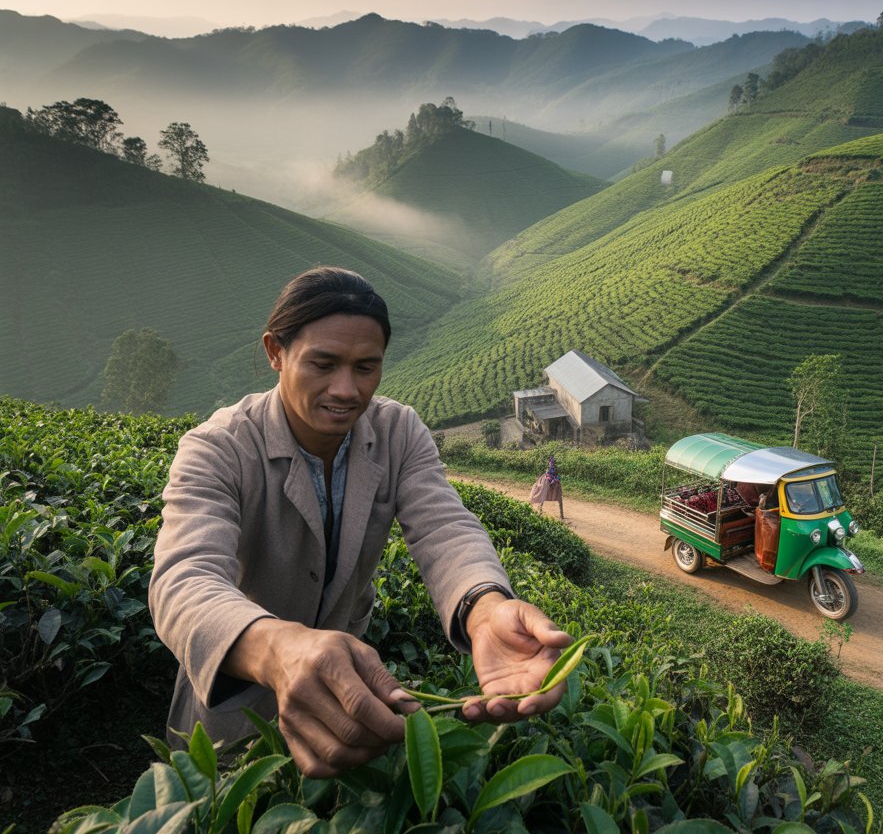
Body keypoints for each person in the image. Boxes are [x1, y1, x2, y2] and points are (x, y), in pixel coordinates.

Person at [150, 266, 573, 778]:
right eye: (323, 364)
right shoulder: (217, 449)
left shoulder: (397, 432)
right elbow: (184, 580)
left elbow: (444, 527)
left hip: (345, 704)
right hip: (234, 714)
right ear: (274, 352)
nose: (347, 390)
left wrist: (484, 607)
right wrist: (279, 648)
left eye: (366, 368)